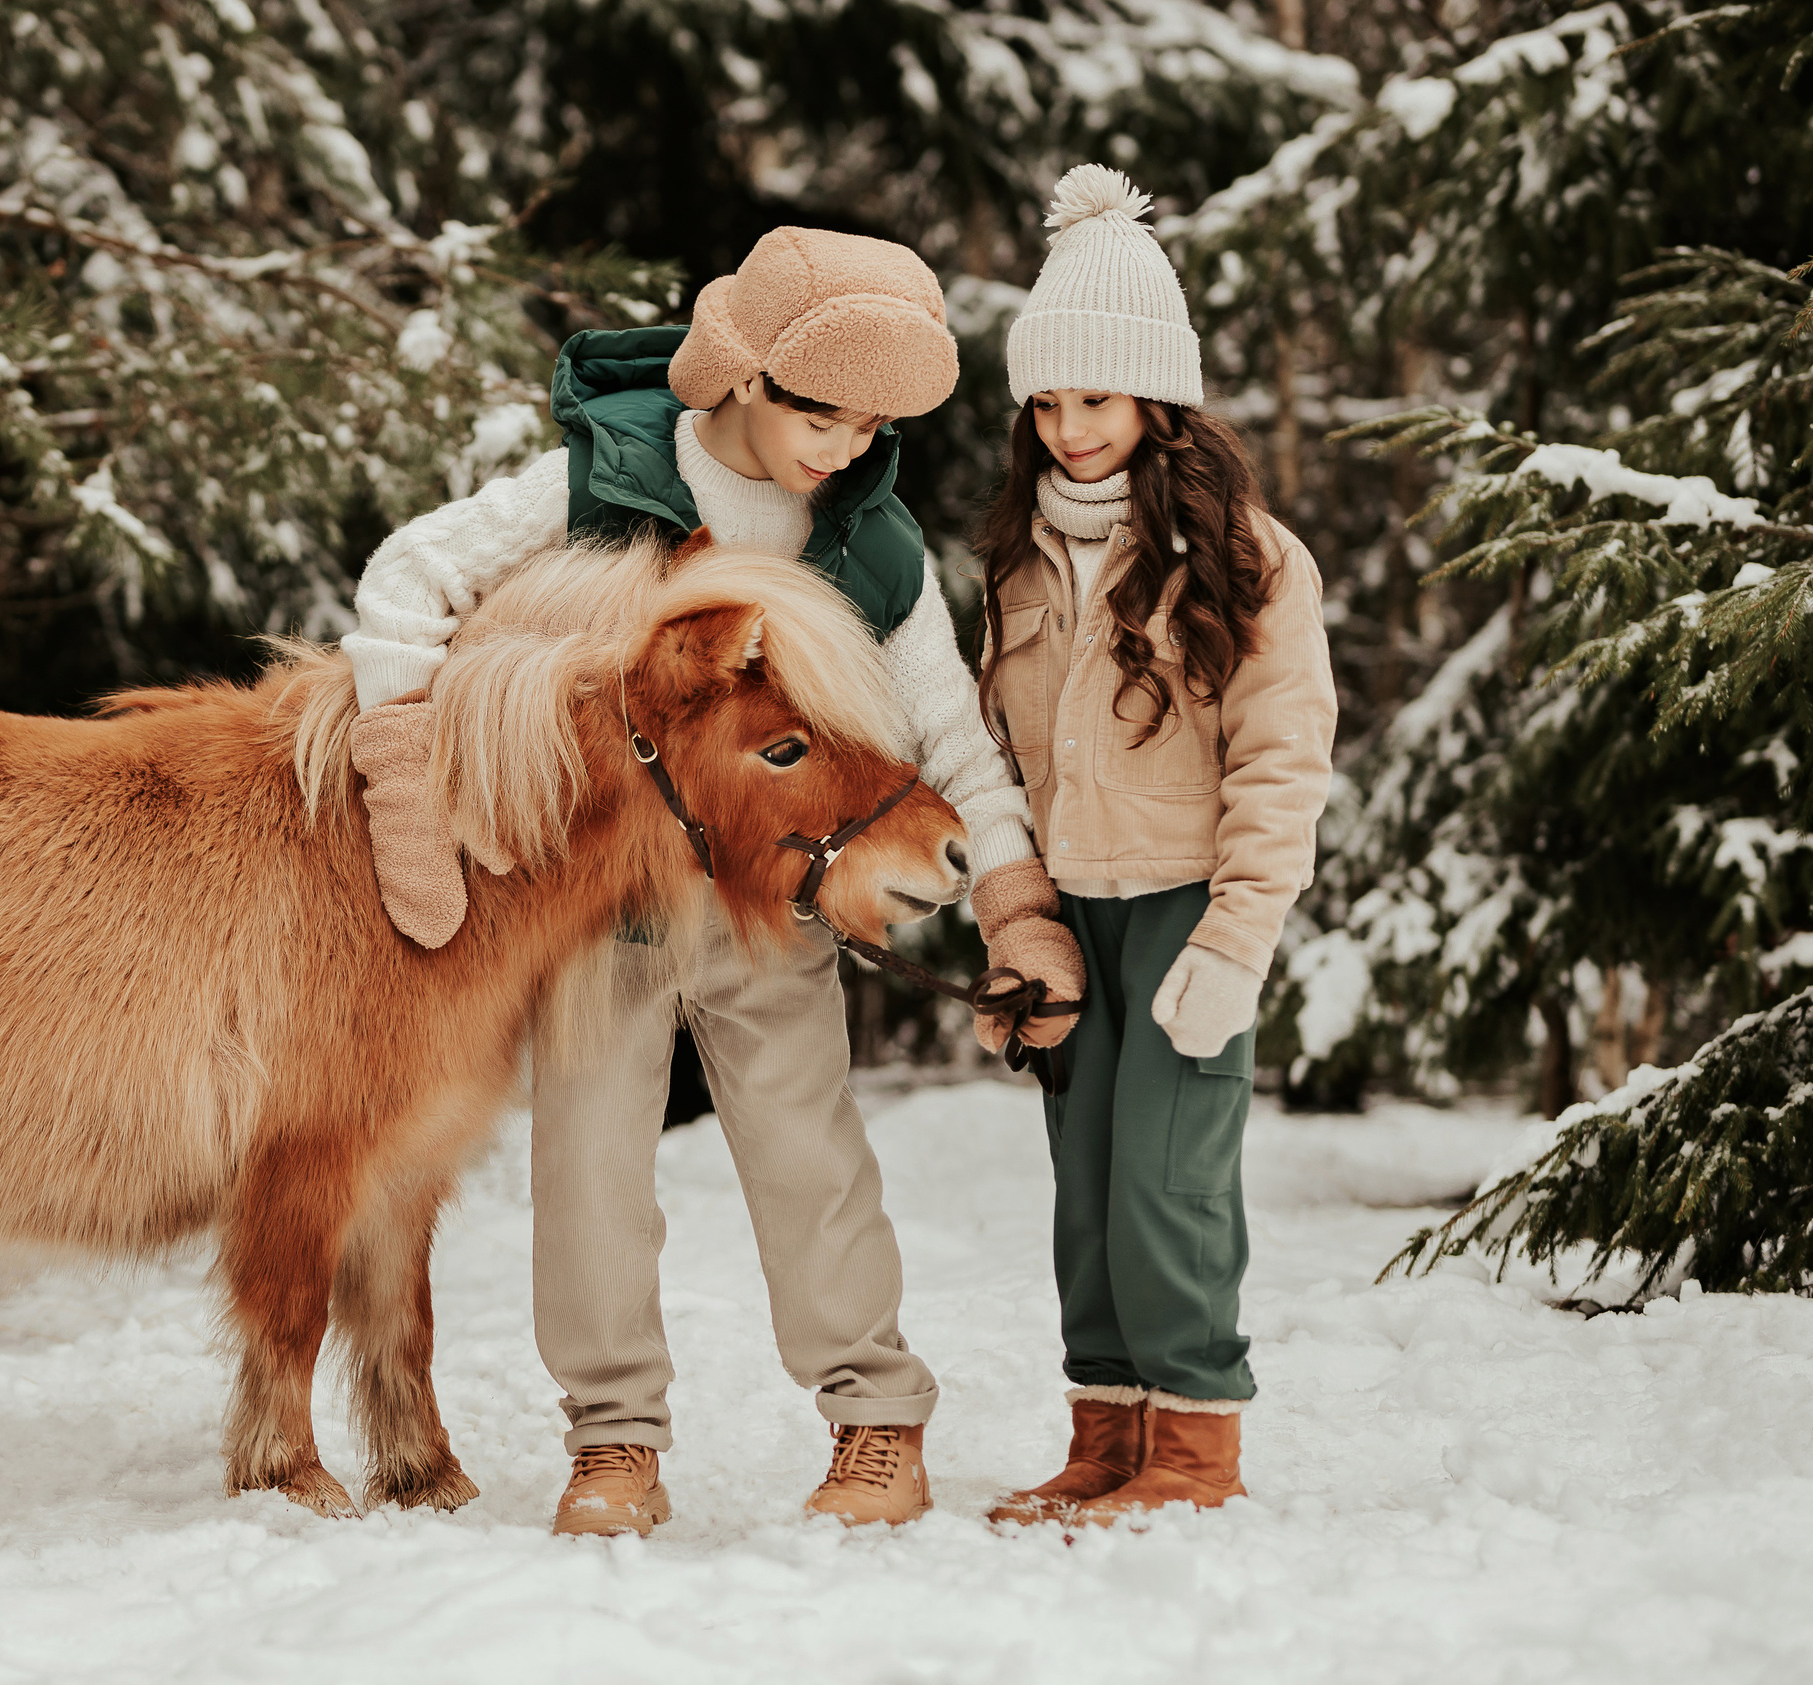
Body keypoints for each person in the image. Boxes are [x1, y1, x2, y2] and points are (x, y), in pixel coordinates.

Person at [342, 228, 1084, 1535]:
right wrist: (407, 777)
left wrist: (1014, 902)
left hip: (770, 908)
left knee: (810, 1156)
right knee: (587, 1172)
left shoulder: (868, 541)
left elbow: (954, 739)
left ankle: (877, 1425)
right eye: (820, 409)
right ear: (742, 371)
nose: (843, 444)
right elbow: (408, 577)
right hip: (598, 905)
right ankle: (613, 1445)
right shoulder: (593, 480)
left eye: (872, 422)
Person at [973, 166, 1337, 1530]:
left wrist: (1239, 940)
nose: (1070, 429)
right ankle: (1106, 1433)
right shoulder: (1013, 564)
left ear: (1158, 402)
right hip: (1075, 915)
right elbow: (1000, 763)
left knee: (1164, 1189)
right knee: (1084, 1197)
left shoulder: (1246, 559)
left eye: (1098, 400)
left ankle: (1193, 1449)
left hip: (1189, 912)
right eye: (1048, 402)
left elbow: (1285, 759)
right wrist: (1015, 926)